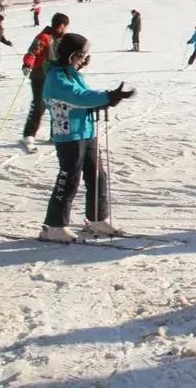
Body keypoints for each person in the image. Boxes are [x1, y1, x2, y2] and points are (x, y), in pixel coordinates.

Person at [38, 33, 136, 242]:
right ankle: (53, 225)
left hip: (86, 131)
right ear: (70, 54)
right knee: (69, 178)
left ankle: (97, 218)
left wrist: (107, 99)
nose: (83, 59)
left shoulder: (71, 73)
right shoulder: (57, 79)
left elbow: (87, 94)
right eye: (81, 55)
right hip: (69, 134)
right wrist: (109, 96)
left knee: (97, 175)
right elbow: (79, 97)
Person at [22, 13, 71, 153]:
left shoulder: (63, 39)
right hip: (39, 76)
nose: (67, 29)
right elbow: (32, 52)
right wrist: (27, 64)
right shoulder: (44, 37)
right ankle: (29, 135)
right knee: (40, 104)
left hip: (55, 77)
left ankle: (55, 134)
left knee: (57, 104)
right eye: (66, 26)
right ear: (61, 26)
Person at [0, 14, 12, 78]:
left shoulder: (1, 28)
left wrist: (7, 43)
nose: (2, 22)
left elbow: (1, 38)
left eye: (2, 21)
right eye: (0, 21)